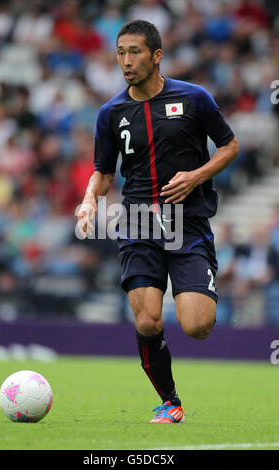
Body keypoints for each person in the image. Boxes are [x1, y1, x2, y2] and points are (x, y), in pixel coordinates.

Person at [76, 20, 239, 423]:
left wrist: (197, 175)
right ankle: (170, 401)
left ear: (156, 55)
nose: (126, 62)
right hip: (137, 223)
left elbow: (230, 145)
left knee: (197, 326)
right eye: (120, 53)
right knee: (148, 318)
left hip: (188, 223)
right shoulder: (111, 112)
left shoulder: (194, 98)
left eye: (134, 52)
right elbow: (104, 172)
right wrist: (88, 200)